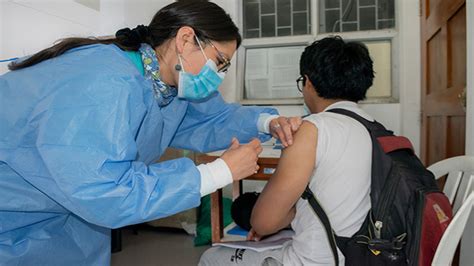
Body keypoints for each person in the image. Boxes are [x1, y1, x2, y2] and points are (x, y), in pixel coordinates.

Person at [0, 2, 303, 265]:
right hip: (13, 215)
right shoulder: (104, 83)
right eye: (220, 61)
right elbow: (104, 190)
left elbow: (212, 120)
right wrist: (217, 173)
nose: (220, 75)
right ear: (186, 39)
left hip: (62, 221)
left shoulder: (167, 89)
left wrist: (265, 123)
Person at [199, 36, 375, 265]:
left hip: (315, 260)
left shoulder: (311, 129)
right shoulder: (376, 130)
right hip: (365, 256)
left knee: (211, 258)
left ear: (308, 82)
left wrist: (274, 220)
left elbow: (262, 222)